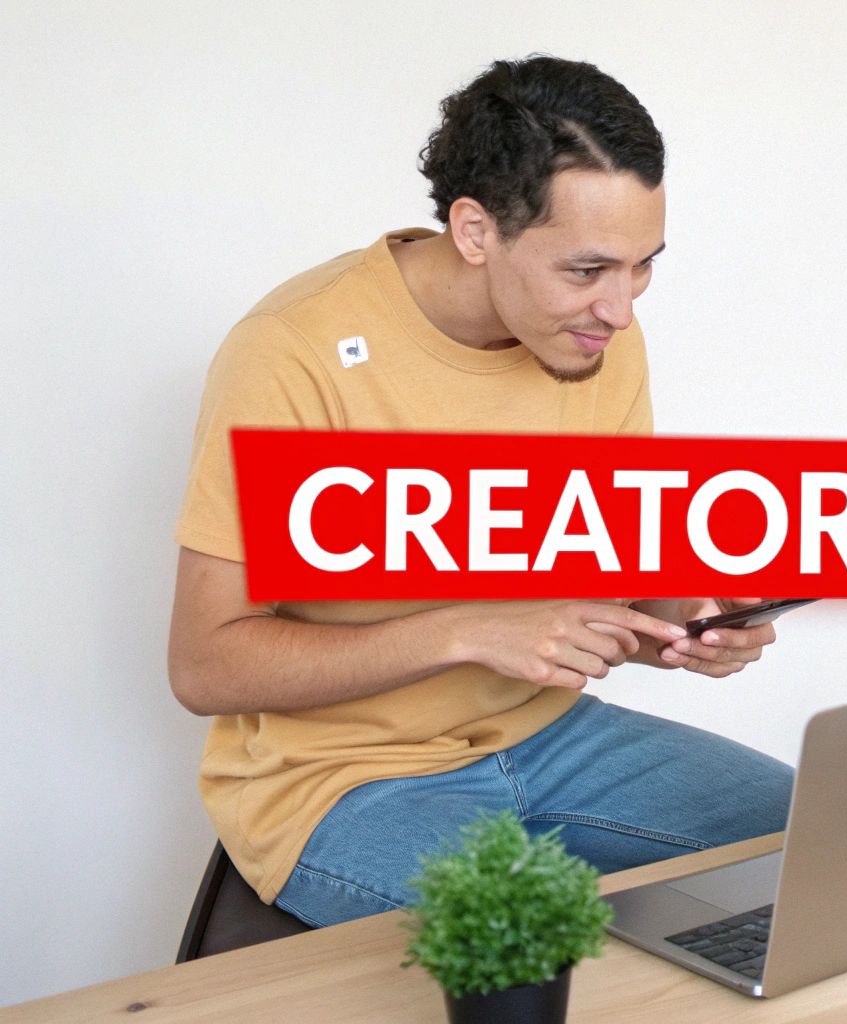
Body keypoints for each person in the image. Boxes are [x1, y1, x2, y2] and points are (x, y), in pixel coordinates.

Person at [166, 56, 793, 929]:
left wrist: (695, 618)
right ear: (474, 230)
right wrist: (466, 631)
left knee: (834, 839)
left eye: (642, 266)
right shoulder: (294, 351)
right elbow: (205, 664)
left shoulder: (598, 341)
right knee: (540, 948)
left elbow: (624, 577)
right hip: (344, 781)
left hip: (550, 739)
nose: (620, 309)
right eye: (587, 270)